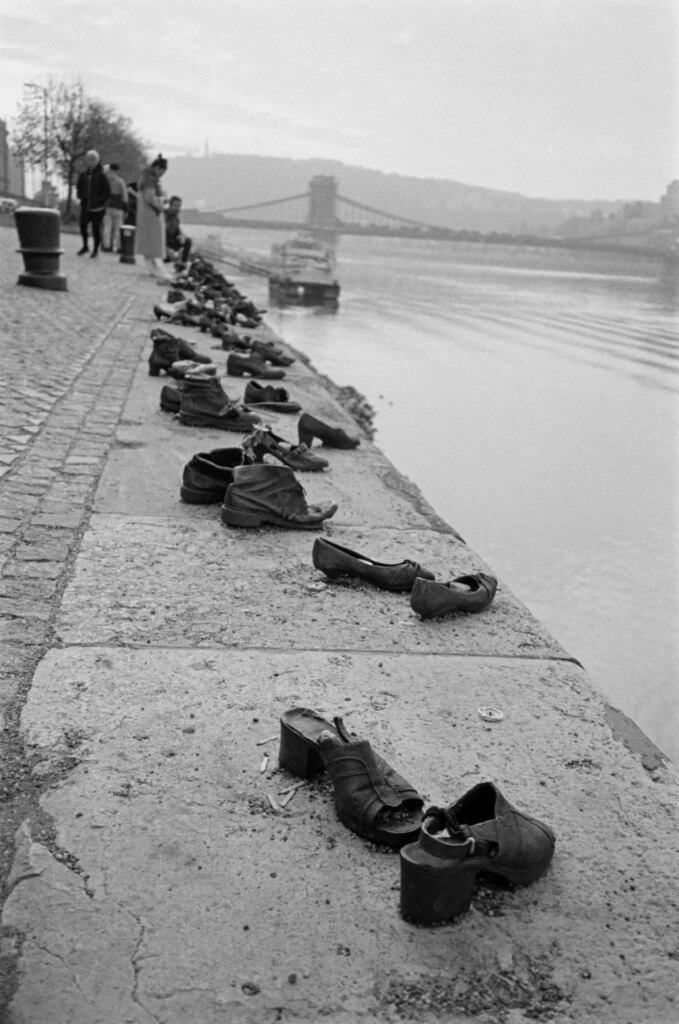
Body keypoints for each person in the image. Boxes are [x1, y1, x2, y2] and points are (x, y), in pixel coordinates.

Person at [136, 154, 170, 279]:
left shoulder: (146, 177)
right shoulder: (150, 179)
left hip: (145, 214)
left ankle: (150, 268)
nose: (162, 174)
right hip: (151, 213)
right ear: (157, 168)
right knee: (155, 242)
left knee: (148, 241)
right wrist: (161, 204)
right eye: (162, 171)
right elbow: (149, 197)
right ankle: (159, 268)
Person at [75, 150, 111, 258]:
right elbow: (79, 187)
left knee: (96, 228)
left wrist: (100, 200)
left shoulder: (101, 175)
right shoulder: (84, 175)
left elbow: (107, 191)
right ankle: (85, 245)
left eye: (93, 160)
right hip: (86, 206)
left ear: (97, 161)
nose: (91, 162)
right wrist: (81, 196)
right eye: (89, 159)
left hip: (98, 208)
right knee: (82, 225)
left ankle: (95, 249)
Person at [102, 163, 128, 253]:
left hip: (108, 206)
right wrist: (126, 208)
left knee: (107, 227)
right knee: (118, 228)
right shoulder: (120, 181)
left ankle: (106, 245)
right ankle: (118, 247)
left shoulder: (105, 181)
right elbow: (124, 196)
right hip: (118, 206)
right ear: (116, 171)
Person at [164, 195, 192, 264]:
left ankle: (184, 263)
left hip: (169, 244)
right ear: (170, 205)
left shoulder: (176, 219)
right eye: (175, 205)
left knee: (188, 241)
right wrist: (167, 249)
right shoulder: (163, 215)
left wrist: (181, 236)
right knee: (168, 259)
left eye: (179, 206)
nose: (177, 208)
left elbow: (177, 233)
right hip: (160, 245)